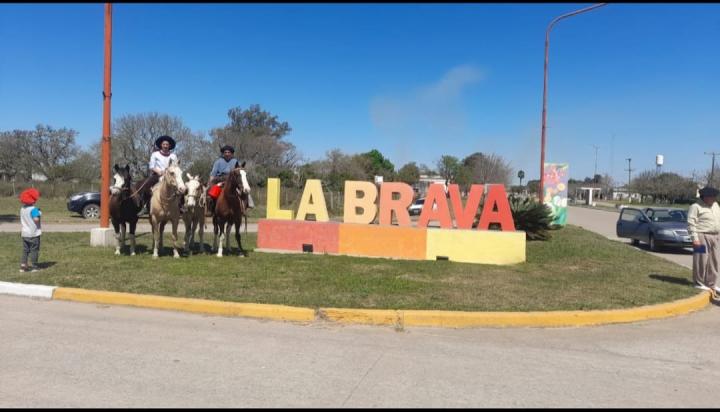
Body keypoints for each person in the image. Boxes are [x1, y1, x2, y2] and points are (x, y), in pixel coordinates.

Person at [687, 186, 720, 295]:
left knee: (714, 261)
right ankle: (698, 282)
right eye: (712, 197)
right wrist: (694, 239)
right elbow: (691, 223)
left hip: (715, 236)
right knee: (701, 260)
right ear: (705, 197)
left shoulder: (716, 205)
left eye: (715, 196)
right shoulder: (696, 207)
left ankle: (711, 283)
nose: (714, 198)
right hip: (701, 236)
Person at [19, 188, 42, 273]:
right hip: (33, 234)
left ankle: (23, 266)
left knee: (25, 250)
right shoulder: (34, 209)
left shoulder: (22, 209)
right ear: (33, 200)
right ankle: (34, 266)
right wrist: (39, 214)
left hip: (24, 233)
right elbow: (36, 219)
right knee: (34, 250)